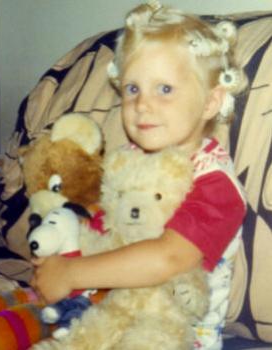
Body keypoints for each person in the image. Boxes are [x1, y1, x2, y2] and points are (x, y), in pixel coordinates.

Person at [31, 1, 248, 348]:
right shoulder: (127, 162)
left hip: (171, 334)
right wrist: (61, 256)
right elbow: (105, 228)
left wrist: (72, 274)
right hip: (106, 313)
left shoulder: (215, 183)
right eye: (133, 89)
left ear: (210, 102)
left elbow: (169, 257)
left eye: (164, 89)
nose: (143, 104)